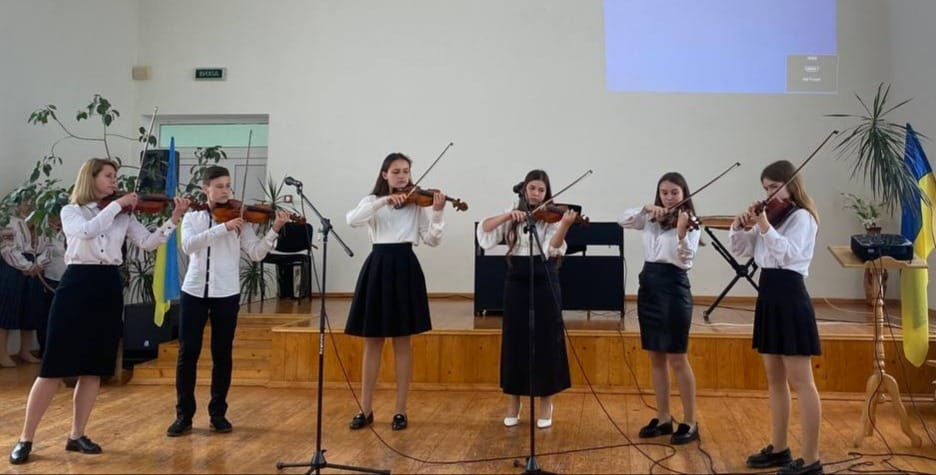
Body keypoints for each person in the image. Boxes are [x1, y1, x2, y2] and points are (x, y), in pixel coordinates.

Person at [9, 158, 188, 464]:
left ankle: (77, 435)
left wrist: (173, 218)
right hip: (77, 285)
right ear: (90, 178)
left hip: (107, 286)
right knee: (52, 367)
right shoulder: (71, 211)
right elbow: (88, 232)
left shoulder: (123, 215)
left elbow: (147, 243)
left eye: (115, 176)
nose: (114, 181)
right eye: (108, 176)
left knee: (94, 367)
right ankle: (26, 438)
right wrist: (116, 206)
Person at [166, 166, 289, 437]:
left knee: (223, 355)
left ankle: (218, 414)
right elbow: (189, 246)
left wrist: (275, 229)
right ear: (205, 188)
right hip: (194, 291)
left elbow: (256, 254)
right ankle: (184, 416)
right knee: (188, 354)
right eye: (219, 186)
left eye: (228, 186)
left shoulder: (239, 218)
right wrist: (222, 228)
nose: (225, 191)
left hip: (226, 293)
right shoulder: (194, 217)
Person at [730, 160, 822, 475]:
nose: (769, 193)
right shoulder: (771, 216)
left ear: (790, 185)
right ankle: (780, 448)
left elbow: (787, 253)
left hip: (790, 295)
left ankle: (811, 460)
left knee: (802, 381)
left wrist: (765, 224)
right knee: (774, 378)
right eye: (765, 188)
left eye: (774, 187)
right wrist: (741, 226)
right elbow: (744, 250)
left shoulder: (802, 218)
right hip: (768, 295)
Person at [345, 152, 445, 431]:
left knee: (403, 342)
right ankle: (365, 409)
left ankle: (400, 410)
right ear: (384, 174)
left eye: (406, 171)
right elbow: (352, 219)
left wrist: (437, 213)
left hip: (405, 266)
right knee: (372, 341)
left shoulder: (415, 205)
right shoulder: (371, 202)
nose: (403, 176)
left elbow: (432, 240)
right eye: (397, 171)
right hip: (378, 265)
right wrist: (384, 201)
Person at [476, 169, 576, 429]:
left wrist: (564, 225)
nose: (536, 194)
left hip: (545, 277)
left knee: (547, 339)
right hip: (516, 279)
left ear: (546, 193)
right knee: (514, 338)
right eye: (532, 188)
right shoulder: (513, 213)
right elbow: (485, 232)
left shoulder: (550, 217)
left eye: (541, 190)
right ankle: (513, 400)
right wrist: (509, 215)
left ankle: (546, 401)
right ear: (524, 190)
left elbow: (553, 248)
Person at [618, 172, 702, 445]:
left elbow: (686, 260)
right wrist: (645, 208)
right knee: (655, 356)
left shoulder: (690, 222)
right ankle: (664, 418)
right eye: (664, 192)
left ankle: (690, 421)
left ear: (683, 194)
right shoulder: (651, 219)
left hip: (673, 288)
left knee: (678, 357)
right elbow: (623, 219)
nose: (668, 197)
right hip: (650, 287)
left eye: (674, 193)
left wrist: (680, 235)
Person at [0, 199, 45, 367]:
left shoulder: (39, 222)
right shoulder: (8, 222)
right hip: (12, 269)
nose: (30, 205)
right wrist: (26, 266)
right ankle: (2, 353)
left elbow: (45, 246)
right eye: (26, 202)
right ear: (18, 204)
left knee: (31, 310)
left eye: (32, 201)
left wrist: (39, 264)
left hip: (35, 268)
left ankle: (25, 350)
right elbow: (7, 249)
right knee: (7, 311)